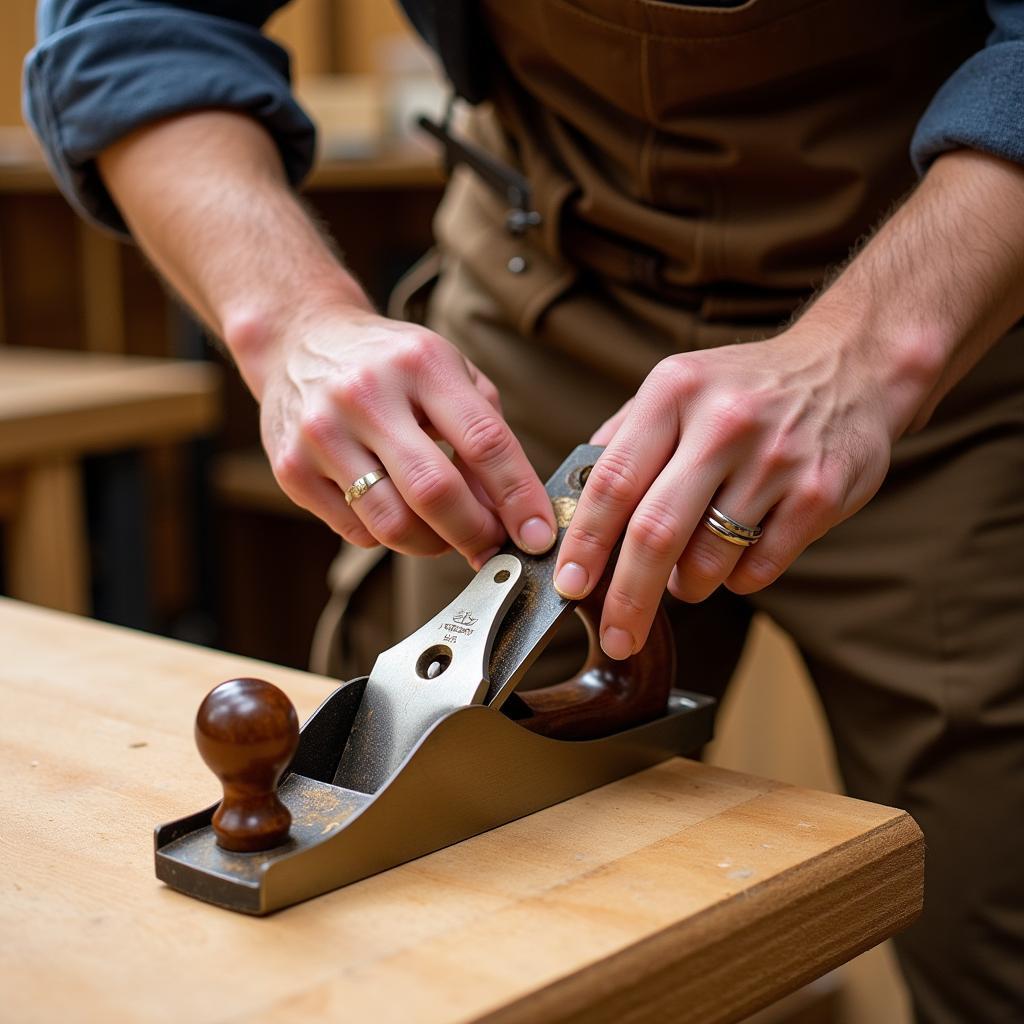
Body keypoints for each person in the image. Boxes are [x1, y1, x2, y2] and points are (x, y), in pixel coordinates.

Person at [24, 2, 1024, 1020]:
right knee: (425, 933)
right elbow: (134, 21)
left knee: (997, 924)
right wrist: (286, 319)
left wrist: (877, 350)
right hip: (531, 315)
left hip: (950, 330)